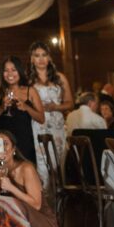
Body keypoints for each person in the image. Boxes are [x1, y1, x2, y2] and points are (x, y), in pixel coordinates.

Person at [28, 40, 73, 189]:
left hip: (57, 125)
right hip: (38, 124)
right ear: (32, 59)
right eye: (37, 56)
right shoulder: (28, 79)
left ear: (49, 58)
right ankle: (44, 197)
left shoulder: (59, 78)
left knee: (57, 163)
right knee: (42, 163)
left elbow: (70, 103)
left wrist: (56, 106)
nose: (41, 59)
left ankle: (58, 198)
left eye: (44, 55)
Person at [0, 55, 44, 165]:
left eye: (13, 70)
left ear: (19, 71)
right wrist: (1, 108)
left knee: (25, 175)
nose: (10, 74)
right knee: (1, 174)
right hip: (1, 141)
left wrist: (26, 107)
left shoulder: (30, 91)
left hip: (24, 140)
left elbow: (41, 119)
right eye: (6, 70)